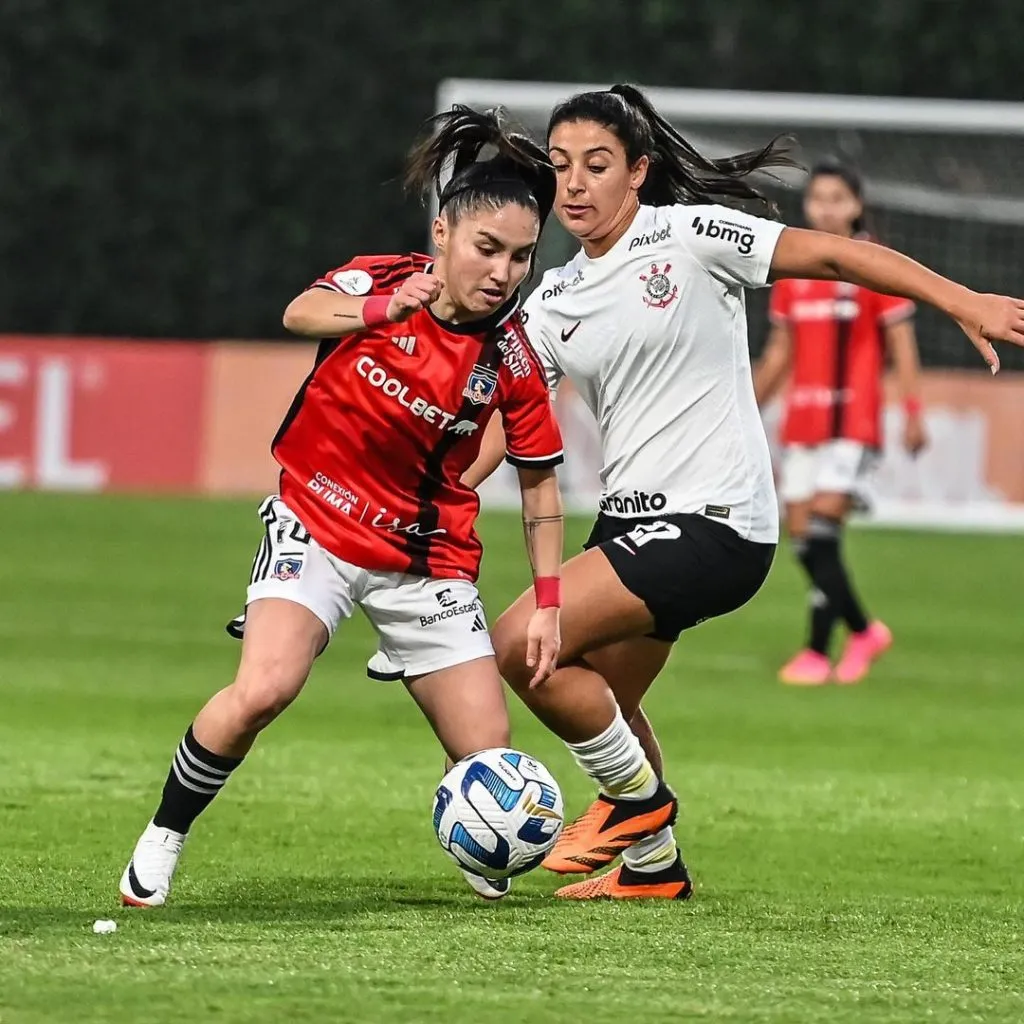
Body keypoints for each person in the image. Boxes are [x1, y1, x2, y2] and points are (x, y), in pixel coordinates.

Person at [464, 84, 1024, 900]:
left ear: (639, 170)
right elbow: (505, 425)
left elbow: (834, 254)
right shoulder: (552, 298)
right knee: (600, 700)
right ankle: (655, 871)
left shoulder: (689, 237)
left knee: (522, 644)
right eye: (559, 168)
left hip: (717, 520)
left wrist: (959, 299)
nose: (575, 185)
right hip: (628, 526)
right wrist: (437, 491)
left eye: (597, 165)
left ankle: (638, 811)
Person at [118, 106, 567, 908]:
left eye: (521, 256)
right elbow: (299, 312)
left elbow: (539, 484)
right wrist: (380, 312)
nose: (503, 271)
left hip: (426, 557)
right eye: (487, 249)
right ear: (443, 236)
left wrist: (548, 603)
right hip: (316, 525)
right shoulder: (383, 281)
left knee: (487, 754)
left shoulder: (513, 357)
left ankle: (473, 828)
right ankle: (165, 834)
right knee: (265, 689)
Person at [754, 160, 927, 684]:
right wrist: (747, 406)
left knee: (823, 522)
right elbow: (780, 350)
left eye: (837, 199)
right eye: (817, 199)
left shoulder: (877, 265)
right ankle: (848, 637)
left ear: (856, 205)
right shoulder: (794, 272)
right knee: (808, 535)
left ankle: (822, 646)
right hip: (803, 421)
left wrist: (913, 411)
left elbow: (901, 343)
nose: (825, 208)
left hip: (853, 420)